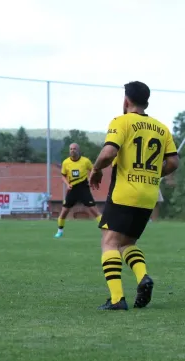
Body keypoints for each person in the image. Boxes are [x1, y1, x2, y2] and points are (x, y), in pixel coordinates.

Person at [90, 81, 179, 311]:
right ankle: (143, 278)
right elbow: (173, 162)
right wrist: (153, 173)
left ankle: (117, 299)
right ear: (146, 102)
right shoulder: (162, 128)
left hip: (124, 193)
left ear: (126, 101)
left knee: (109, 242)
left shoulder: (121, 121)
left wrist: (96, 169)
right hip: (148, 195)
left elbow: (109, 152)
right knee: (128, 242)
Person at [54, 143, 102, 238]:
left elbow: (94, 169)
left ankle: (105, 230)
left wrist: (91, 178)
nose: (72, 150)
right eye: (71, 149)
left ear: (78, 150)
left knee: (94, 210)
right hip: (72, 189)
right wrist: (67, 184)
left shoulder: (85, 161)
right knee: (64, 211)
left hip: (83, 188)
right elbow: (63, 175)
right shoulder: (66, 162)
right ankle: (59, 231)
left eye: (74, 149)